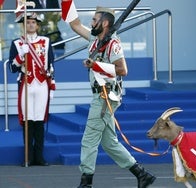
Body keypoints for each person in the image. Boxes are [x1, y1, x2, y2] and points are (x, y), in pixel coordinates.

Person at [61, 0, 156, 187]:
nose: (91, 23)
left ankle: (86, 182)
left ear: (105, 23)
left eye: (95, 20)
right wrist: (66, 2)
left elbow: (123, 70)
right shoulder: (95, 39)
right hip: (101, 95)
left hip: (105, 97)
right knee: (109, 143)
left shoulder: (113, 44)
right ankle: (142, 174)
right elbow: (75, 24)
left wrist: (95, 65)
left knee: (89, 139)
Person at [8, 12, 56, 167]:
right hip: (27, 84)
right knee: (28, 122)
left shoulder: (46, 41)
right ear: (24, 25)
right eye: (27, 22)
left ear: (37, 25)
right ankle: (27, 157)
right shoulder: (17, 43)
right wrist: (21, 55)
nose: (30, 25)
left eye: (33, 22)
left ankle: (39, 157)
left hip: (41, 86)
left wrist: (52, 83)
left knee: (39, 122)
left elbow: (51, 65)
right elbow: (12, 68)